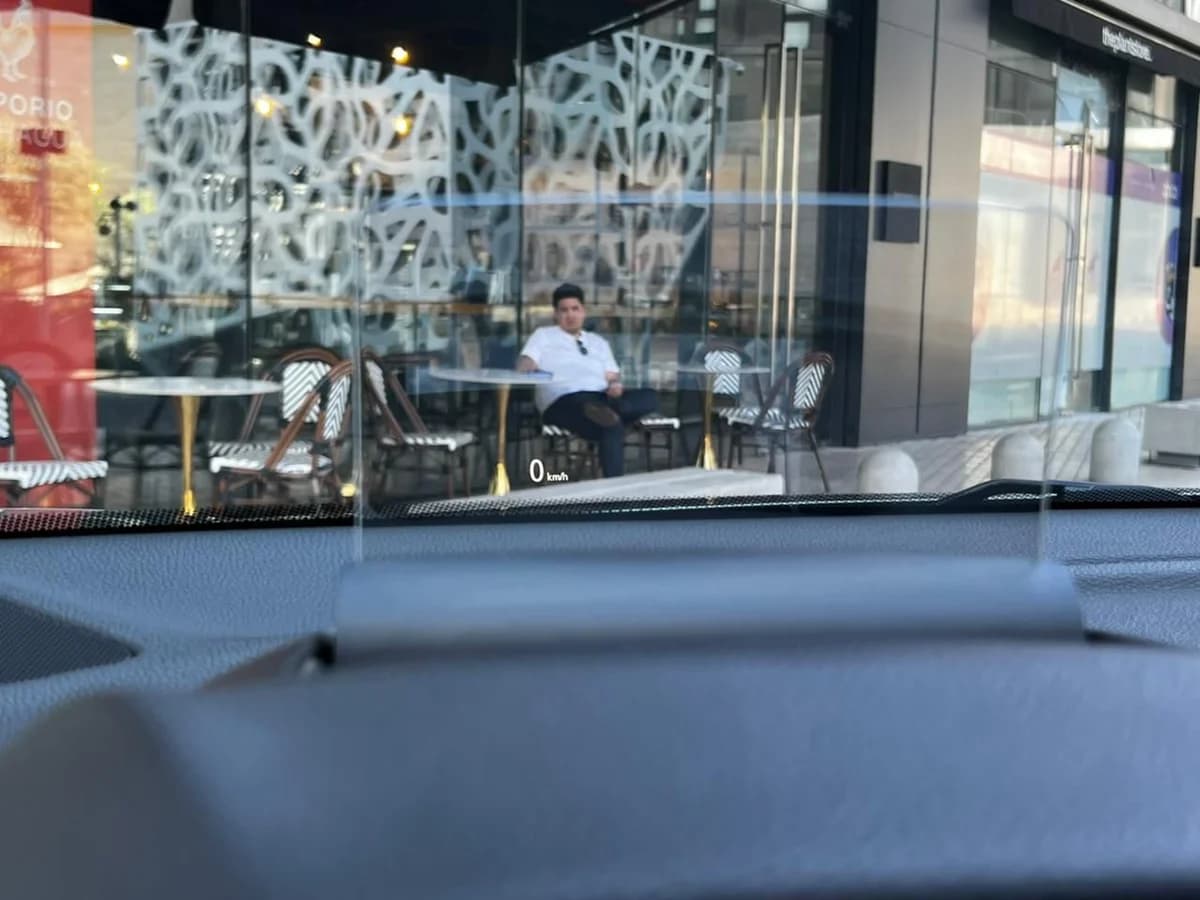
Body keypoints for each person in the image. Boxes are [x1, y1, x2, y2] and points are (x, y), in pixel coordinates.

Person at [517, 283, 658, 478]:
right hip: (565, 401)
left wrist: (615, 386)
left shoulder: (598, 342)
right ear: (556, 314)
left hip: (600, 398)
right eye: (564, 310)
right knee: (608, 422)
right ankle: (610, 415)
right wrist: (530, 367)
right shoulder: (544, 336)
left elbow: (613, 377)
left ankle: (614, 410)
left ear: (583, 311)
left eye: (575, 309)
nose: (570, 315)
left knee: (649, 396)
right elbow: (525, 364)